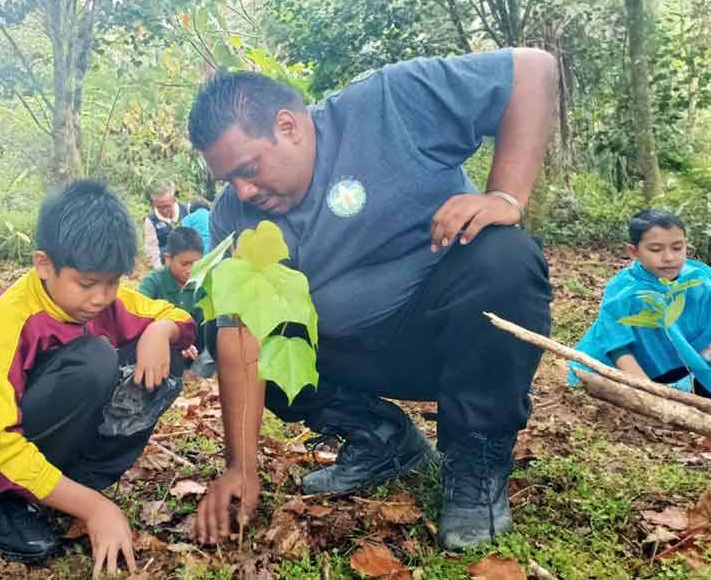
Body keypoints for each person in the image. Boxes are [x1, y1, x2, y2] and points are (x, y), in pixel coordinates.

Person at [186, 49, 556, 551]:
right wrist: (240, 467)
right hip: (349, 358)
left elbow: (532, 69)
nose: (244, 191)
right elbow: (240, 343)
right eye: (229, 179)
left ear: (288, 126)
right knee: (229, 329)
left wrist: (505, 197)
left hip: (451, 339)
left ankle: (477, 458)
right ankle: (383, 440)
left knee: (505, 257)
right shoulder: (235, 216)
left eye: (249, 168)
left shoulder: (389, 103)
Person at [0, 181, 196, 574]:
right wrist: (95, 509)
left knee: (167, 357)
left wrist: (161, 333)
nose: (100, 298)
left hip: (44, 436)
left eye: (112, 283)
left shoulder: (108, 299)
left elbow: (178, 318)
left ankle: (62, 488)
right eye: (87, 284)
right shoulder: (10, 319)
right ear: (44, 265)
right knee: (94, 360)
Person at [570, 209, 711, 394]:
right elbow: (617, 348)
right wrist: (649, 392)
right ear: (633, 251)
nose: (668, 257)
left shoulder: (700, 279)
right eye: (655, 249)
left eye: (677, 248)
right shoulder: (625, 291)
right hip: (634, 372)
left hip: (690, 365)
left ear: (687, 246)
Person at [138, 227, 214, 367]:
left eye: (196, 264)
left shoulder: (205, 283)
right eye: (184, 264)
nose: (190, 270)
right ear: (168, 259)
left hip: (197, 349)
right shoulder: (152, 282)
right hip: (163, 346)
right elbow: (138, 318)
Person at [143, 181, 190, 269]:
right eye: (159, 207)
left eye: (167, 206)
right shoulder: (150, 220)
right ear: (154, 204)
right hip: (167, 266)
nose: (164, 210)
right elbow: (152, 248)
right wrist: (159, 270)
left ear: (174, 200)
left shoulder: (187, 211)